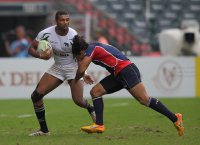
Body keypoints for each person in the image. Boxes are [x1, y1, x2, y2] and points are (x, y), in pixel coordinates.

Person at [71, 35, 184, 136]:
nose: (78, 60)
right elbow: (83, 68)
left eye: (76, 57)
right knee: (95, 92)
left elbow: (81, 69)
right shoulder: (93, 47)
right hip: (118, 73)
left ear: (81, 52)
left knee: (144, 99)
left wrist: (76, 79)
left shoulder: (91, 49)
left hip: (126, 71)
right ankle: (99, 125)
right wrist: (83, 74)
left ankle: (175, 118)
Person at [28, 11, 96, 136]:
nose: (65, 22)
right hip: (57, 67)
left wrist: (84, 72)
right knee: (36, 96)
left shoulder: (73, 35)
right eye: (62, 20)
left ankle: (91, 109)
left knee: (78, 101)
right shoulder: (45, 33)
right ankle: (44, 131)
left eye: (67, 20)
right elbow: (31, 48)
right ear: (55, 22)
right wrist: (41, 55)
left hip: (73, 68)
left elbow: (80, 57)